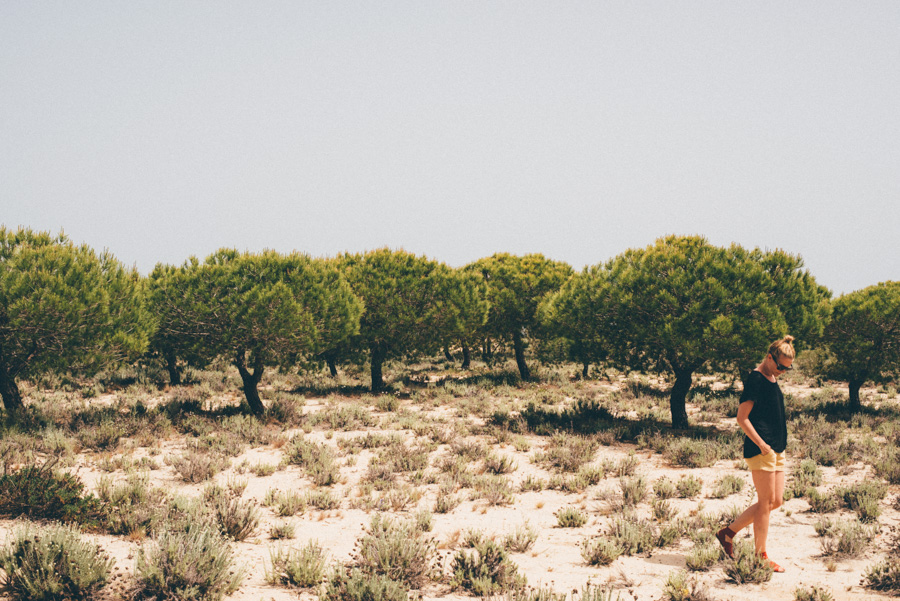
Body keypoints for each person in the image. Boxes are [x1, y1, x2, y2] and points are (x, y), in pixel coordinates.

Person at [716, 335, 795, 573]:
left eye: (787, 368)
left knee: (776, 501)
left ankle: (727, 533)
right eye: (780, 365)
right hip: (762, 448)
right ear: (769, 357)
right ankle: (761, 555)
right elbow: (742, 418)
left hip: (776, 448)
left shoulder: (771, 376)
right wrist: (761, 444)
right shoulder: (756, 379)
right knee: (765, 502)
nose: (782, 371)